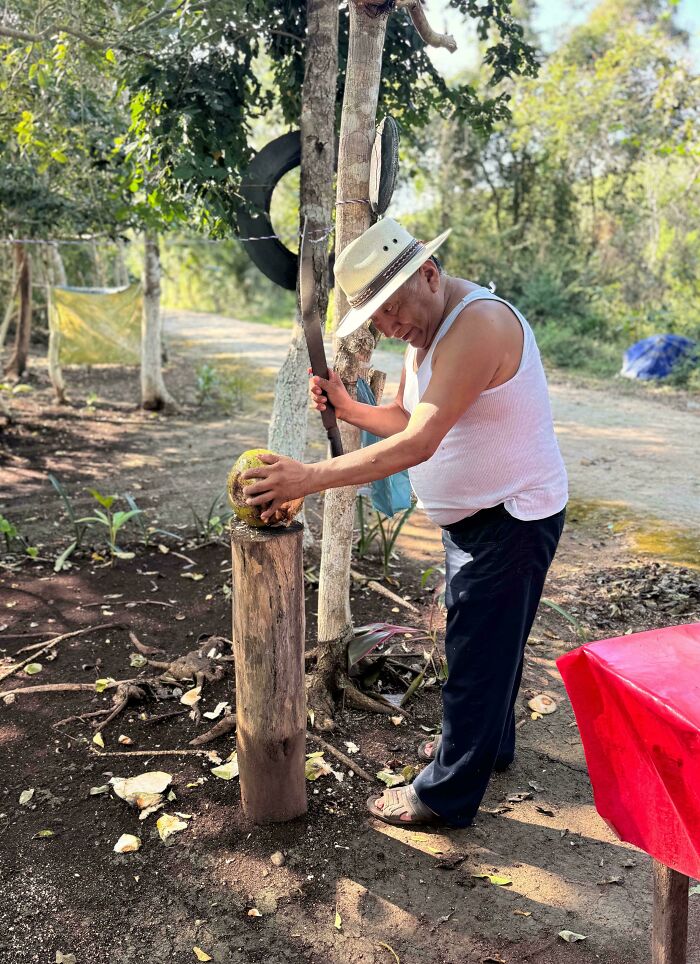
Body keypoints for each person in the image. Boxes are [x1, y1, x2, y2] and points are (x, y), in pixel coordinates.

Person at [241, 217, 568, 828]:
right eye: (379, 321)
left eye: (393, 311)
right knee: (488, 643)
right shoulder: (431, 329)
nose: (391, 329)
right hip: (480, 519)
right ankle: (487, 749)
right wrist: (348, 407)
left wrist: (307, 478)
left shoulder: (480, 326)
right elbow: (403, 415)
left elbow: (419, 441)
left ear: (430, 273)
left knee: (476, 651)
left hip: (513, 518)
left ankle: (443, 796)